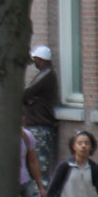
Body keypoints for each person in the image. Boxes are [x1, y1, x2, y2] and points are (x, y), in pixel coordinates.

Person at [24, 45, 60, 181]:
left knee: (40, 167)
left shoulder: (46, 74)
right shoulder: (45, 74)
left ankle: (42, 192)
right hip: (37, 127)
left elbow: (25, 94)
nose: (34, 63)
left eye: (35, 60)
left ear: (41, 60)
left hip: (40, 128)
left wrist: (28, 99)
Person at [45, 130, 98, 197]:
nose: (83, 146)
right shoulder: (65, 167)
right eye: (80, 143)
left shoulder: (94, 169)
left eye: (87, 143)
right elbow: (52, 191)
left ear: (91, 147)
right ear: (74, 146)